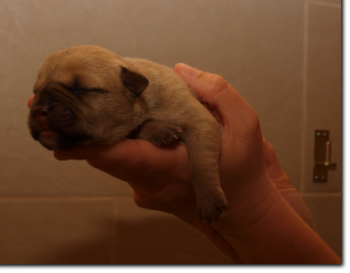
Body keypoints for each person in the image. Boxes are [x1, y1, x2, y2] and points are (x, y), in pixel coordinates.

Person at [28, 63, 341, 264]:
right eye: (40, 93)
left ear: (131, 87)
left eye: (81, 90)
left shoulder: (162, 89)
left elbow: (201, 126)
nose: (42, 107)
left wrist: (245, 205)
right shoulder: (129, 104)